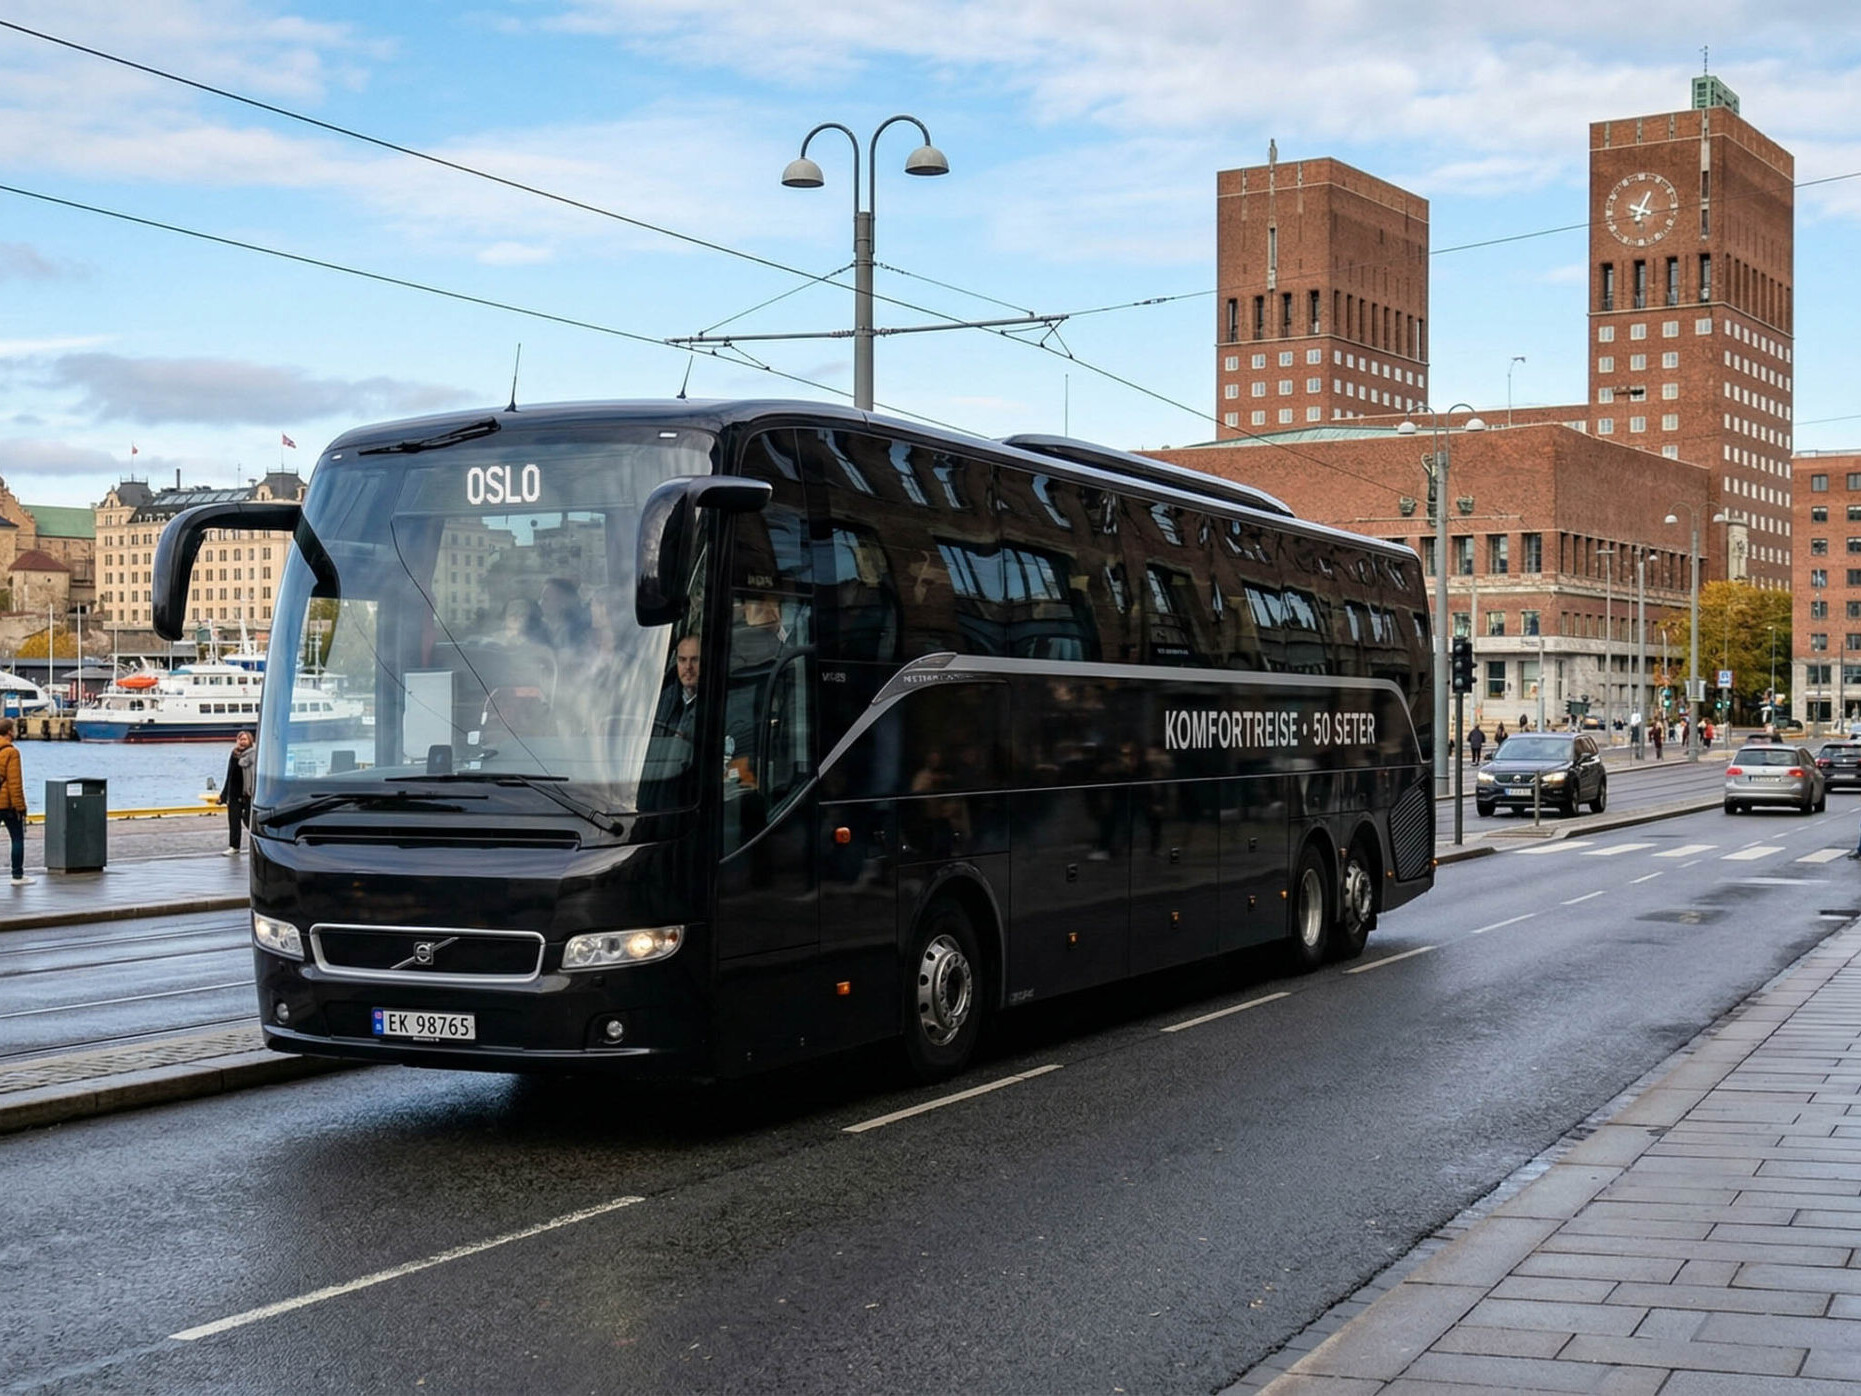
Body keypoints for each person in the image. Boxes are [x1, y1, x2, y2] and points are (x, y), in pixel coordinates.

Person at [0, 717, 30, 885]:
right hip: (8, 806)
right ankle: (17, 876)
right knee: (17, 839)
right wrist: (20, 807)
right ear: (10, 732)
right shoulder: (12, 752)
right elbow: (14, 783)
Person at [216, 729, 256, 855]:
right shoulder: (234, 755)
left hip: (247, 793)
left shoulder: (253, 754)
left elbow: (255, 774)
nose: (242, 742)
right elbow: (229, 775)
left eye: (244, 739)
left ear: (250, 740)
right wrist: (223, 796)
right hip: (234, 793)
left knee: (249, 821)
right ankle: (234, 846)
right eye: (240, 739)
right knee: (233, 821)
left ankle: (256, 844)